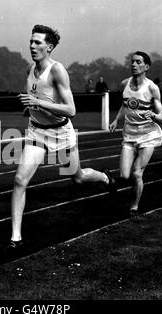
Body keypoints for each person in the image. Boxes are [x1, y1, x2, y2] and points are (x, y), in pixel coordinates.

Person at [9, 25, 116, 249]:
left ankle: (105, 178)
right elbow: (35, 95)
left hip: (61, 133)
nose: (32, 46)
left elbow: (71, 110)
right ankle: (15, 237)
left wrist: (37, 103)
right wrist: (29, 107)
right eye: (31, 41)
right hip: (36, 131)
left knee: (77, 178)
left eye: (37, 43)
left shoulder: (57, 70)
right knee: (20, 180)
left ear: (49, 47)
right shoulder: (29, 69)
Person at [109, 51, 162, 216]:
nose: (134, 65)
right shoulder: (124, 84)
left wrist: (153, 115)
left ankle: (134, 207)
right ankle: (110, 178)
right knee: (125, 175)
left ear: (146, 67)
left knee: (136, 173)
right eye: (132, 61)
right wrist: (116, 120)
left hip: (148, 135)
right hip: (129, 134)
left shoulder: (152, 88)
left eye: (138, 62)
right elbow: (125, 105)